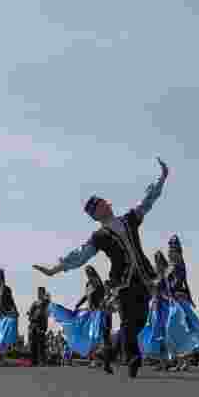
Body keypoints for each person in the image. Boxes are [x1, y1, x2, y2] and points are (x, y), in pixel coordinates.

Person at [33, 158, 169, 380]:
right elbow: (80, 256)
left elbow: (147, 202)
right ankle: (134, 359)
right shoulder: (99, 236)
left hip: (143, 277)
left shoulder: (129, 220)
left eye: (103, 202)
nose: (105, 205)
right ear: (95, 215)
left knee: (141, 320)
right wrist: (54, 270)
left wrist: (162, 178)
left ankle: (108, 353)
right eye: (99, 206)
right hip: (122, 283)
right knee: (127, 320)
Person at [164, 235, 199, 371]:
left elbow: (179, 281)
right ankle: (181, 362)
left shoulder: (178, 264)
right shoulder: (170, 267)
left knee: (176, 329)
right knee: (176, 331)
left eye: (172, 250)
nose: (170, 253)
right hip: (174, 301)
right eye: (170, 250)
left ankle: (184, 360)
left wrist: (172, 290)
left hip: (178, 300)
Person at [27, 288, 50, 366]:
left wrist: (46, 297)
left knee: (41, 344)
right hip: (33, 324)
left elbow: (47, 305)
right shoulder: (35, 303)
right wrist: (30, 316)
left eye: (40, 292)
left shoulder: (45, 302)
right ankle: (34, 361)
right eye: (38, 292)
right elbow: (30, 312)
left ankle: (43, 361)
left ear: (43, 293)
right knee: (33, 344)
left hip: (41, 324)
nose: (38, 294)